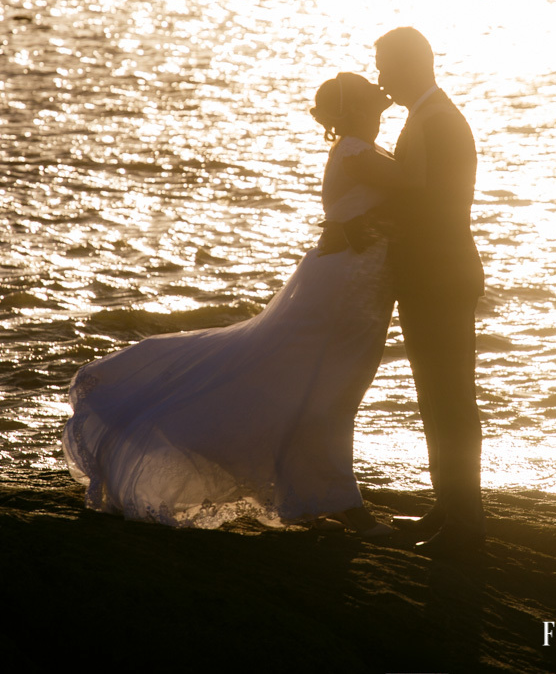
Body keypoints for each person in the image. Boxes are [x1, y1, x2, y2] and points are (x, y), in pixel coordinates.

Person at [62, 73, 394, 537]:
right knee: (326, 390)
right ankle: (340, 502)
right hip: (343, 287)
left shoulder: (362, 150)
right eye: (374, 107)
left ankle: (314, 497)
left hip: (358, 283)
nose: (381, 116)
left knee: (323, 390)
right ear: (354, 112)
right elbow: (424, 186)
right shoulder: (356, 152)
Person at [344, 28, 485, 558]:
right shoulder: (428, 115)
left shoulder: (438, 120)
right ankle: (447, 507)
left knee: (451, 401)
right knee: (435, 398)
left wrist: (369, 220)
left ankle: (465, 522)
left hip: (440, 277)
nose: (380, 77)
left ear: (410, 65)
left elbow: (432, 202)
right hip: (432, 276)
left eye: (385, 66)